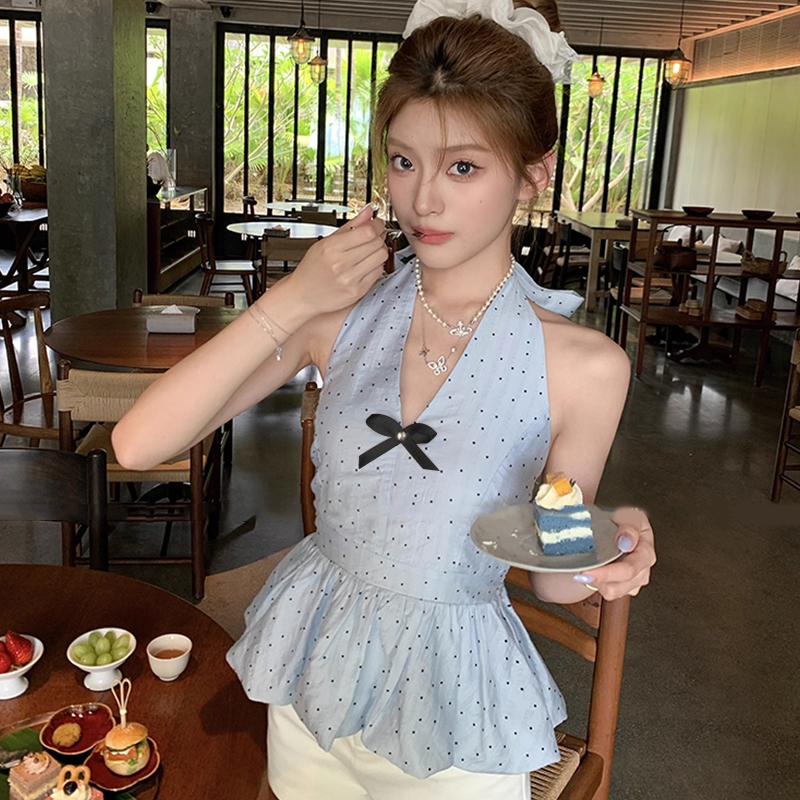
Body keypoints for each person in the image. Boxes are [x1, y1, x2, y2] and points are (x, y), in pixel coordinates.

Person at [113, 1, 656, 797]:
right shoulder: (336, 318)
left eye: (462, 168)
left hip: (456, 712)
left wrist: (611, 546)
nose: (423, 200)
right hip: (313, 677)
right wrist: (293, 298)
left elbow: (554, 570)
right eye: (404, 162)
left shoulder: (582, 368)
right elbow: (138, 442)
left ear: (534, 173)